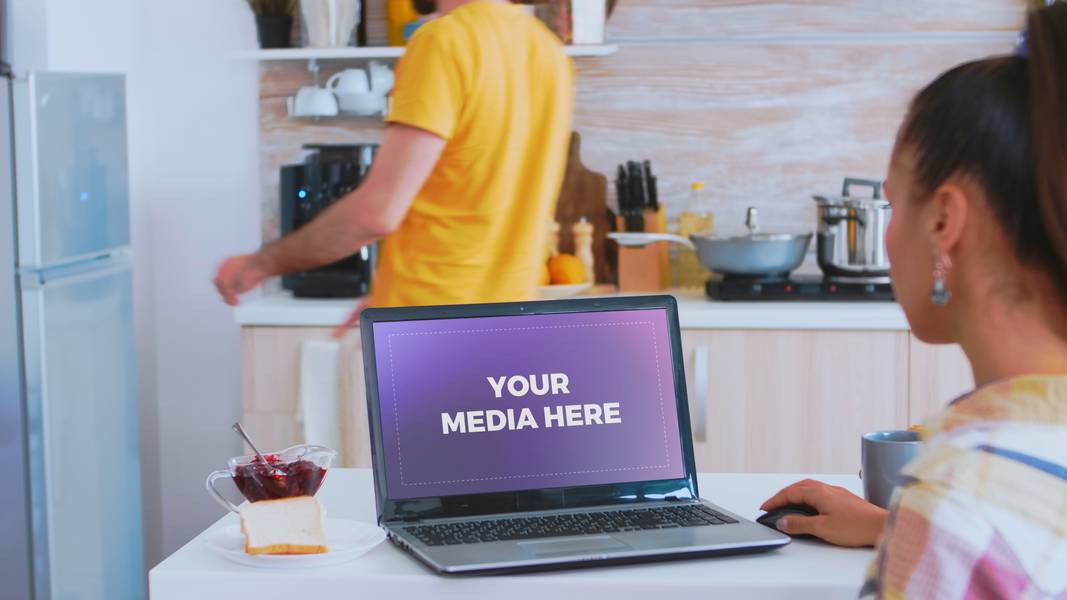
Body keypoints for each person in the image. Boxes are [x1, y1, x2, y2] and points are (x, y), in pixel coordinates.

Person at [762, 4, 1067, 597]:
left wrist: (923, 523)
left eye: (895, 203)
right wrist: (892, 526)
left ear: (944, 221)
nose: (889, 232)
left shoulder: (962, 497)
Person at [214, 0, 575, 334]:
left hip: (430, 335)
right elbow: (479, 196)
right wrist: (390, 293)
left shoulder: (445, 42)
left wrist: (258, 265)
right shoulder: (548, 51)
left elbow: (376, 213)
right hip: (510, 330)